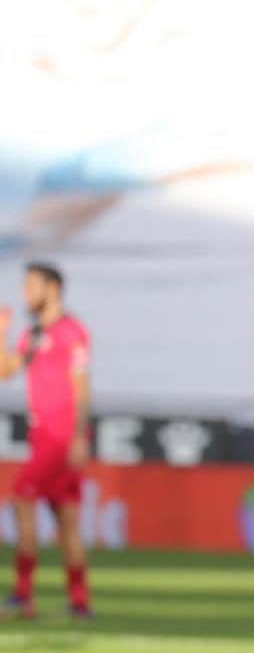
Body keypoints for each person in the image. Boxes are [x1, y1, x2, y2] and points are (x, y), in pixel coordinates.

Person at [0, 262, 92, 619]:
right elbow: (6, 371)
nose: (26, 293)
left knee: (22, 500)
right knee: (66, 520)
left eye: (32, 285)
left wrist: (79, 436)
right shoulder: (34, 333)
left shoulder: (72, 332)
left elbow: (81, 387)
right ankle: (80, 602)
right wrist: (4, 332)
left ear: (52, 288)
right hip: (44, 439)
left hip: (60, 438)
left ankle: (23, 595)